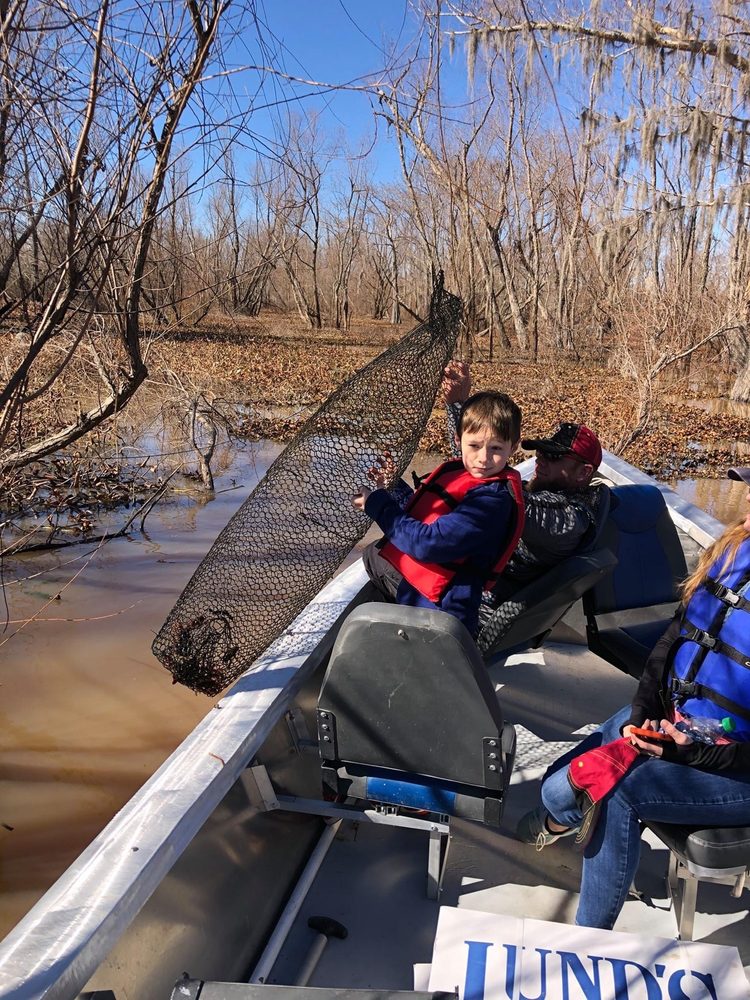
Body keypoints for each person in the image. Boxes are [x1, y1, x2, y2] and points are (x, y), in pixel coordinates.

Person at [515, 466, 750, 931]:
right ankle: (558, 815)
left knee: (620, 791)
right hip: (685, 726)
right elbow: (671, 644)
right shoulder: (731, 551)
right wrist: (644, 713)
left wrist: (693, 750)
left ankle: (587, 942)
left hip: (737, 769)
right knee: (585, 759)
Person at [362, 361, 608, 610]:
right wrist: (395, 486)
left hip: (467, 608)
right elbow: (468, 484)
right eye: (541, 451)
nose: (541, 459)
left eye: (554, 456)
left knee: (377, 553)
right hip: (466, 585)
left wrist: (380, 503)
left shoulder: (566, 518)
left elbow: (479, 492)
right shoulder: (545, 497)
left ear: (583, 472)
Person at [352, 391, 525, 637]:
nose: (483, 458)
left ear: (513, 447)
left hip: (443, 619)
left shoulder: (492, 502)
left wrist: (377, 504)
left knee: (372, 556)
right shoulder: (463, 474)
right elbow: (429, 514)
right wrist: (392, 487)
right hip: (419, 600)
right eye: (474, 446)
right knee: (373, 554)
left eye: (496, 448)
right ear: (458, 440)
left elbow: (428, 542)